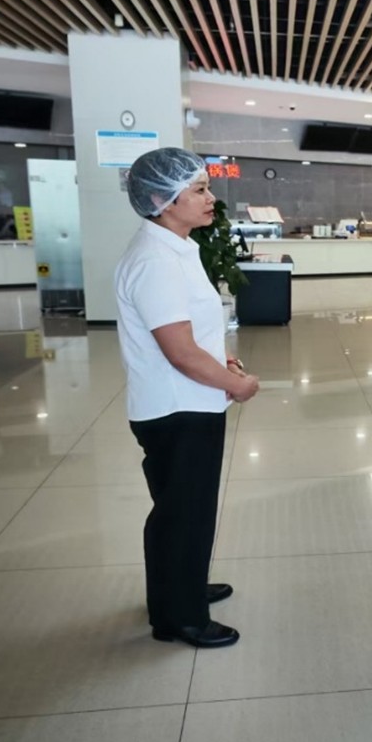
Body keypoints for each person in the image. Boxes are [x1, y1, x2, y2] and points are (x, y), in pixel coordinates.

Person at [115, 147, 259, 649]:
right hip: (178, 408)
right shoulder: (155, 260)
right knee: (184, 514)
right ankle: (181, 618)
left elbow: (188, 331)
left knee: (182, 510)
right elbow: (178, 351)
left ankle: (179, 589)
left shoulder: (175, 247)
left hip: (187, 399)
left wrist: (221, 359)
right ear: (162, 200)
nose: (210, 198)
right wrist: (235, 385)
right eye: (198, 190)